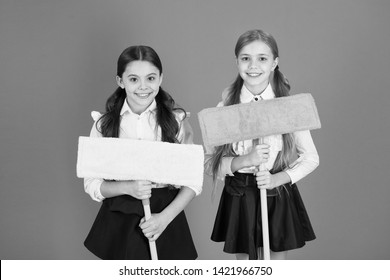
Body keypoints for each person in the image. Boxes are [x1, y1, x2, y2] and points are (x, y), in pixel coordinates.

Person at [206, 29, 319, 260]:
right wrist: (244, 161)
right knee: (246, 266)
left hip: (275, 190)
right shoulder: (225, 108)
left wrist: (278, 179)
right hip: (239, 193)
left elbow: (311, 158)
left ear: (274, 63)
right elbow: (210, 164)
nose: (253, 65)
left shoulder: (288, 106)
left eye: (262, 58)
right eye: (245, 58)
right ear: (237, 62)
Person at [83, 45, 198, 260]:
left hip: (164, 215)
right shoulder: (103, 125)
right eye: (134, 79)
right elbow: (92, 184)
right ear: (120, 81)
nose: (143, 87)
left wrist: (163, 219)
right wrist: (128, 187)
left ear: (161, 78)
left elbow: (193, 182)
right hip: (120, 218)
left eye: (151, 78)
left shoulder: (176, 122)